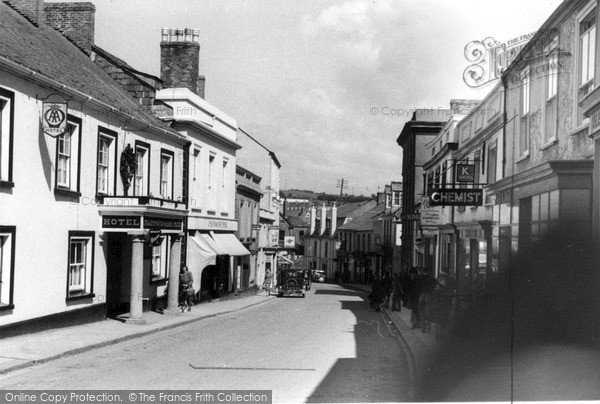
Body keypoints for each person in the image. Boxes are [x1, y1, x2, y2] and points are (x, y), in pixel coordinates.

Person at [418, 267, 437, 333]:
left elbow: (418, 287)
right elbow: (435, 287)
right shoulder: (432, 279)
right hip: (429, 295)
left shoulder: (420, 278)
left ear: (423, 272)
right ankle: (428, 327)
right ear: (429, 271)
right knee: (429, 312)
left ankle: (423, 328)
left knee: (421, 311)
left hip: (422, 295)